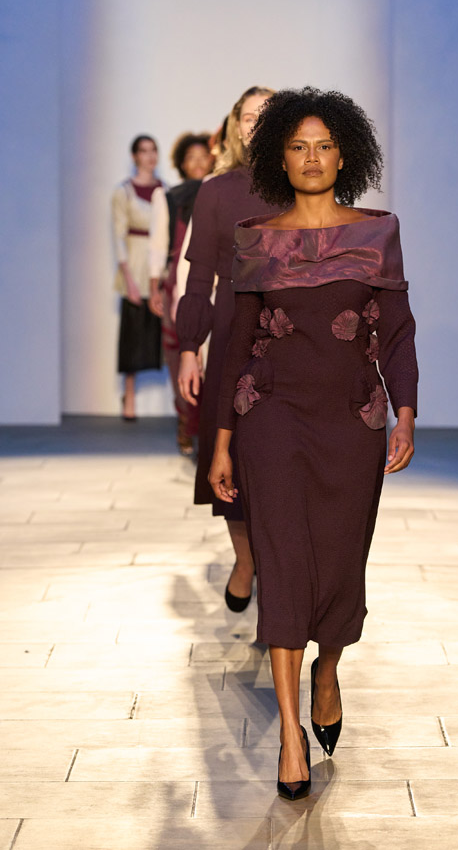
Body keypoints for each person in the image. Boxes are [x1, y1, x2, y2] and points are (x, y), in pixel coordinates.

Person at [207, 87, 418, 800]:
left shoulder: (378, 234)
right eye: (297, 146)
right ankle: (291, 736)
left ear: (345, 155)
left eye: (324, 145)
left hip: (351, 422)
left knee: (340, 563)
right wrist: (223, 442)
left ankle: (329, 669)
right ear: (278, 157)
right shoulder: (255, 238)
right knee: (285, 565)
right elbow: (239, 345)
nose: (312, 157)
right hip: (271, 418)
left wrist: (406, 412)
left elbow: (397, 333)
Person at [177, 86, 279, 610]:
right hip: (232, 327)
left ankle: (275, 567)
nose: (257, 124)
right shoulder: (216, 191)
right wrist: (188, 348)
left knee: (279, 455)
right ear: (236, 125)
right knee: (231, 453)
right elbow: (199, 278)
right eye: (249, 116)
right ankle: (246, 559)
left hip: (288, 333)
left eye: (268, 115)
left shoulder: (301, 187)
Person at [148, 133, 213, 454]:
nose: (198, 163)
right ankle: (186, 424)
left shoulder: (219, 193)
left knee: (212, 356)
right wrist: (154, 287)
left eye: (204, 156)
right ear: (181, 164)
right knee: (179, 356)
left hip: (213, 280)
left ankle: (209, 429)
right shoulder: (169, 197)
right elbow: (158, 245)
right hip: (177, 281)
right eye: (191, 158)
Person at [111, 135, 164, 420]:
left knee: (164, 332)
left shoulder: (165, 191)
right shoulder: (124, 192)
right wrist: (128, 279)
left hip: (159, 267)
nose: (150, 156)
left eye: (153, 150)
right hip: (134, 265)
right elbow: (118, 237)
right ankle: (128, 394)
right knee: (132, 335)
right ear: (135, 156)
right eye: (144, 151)